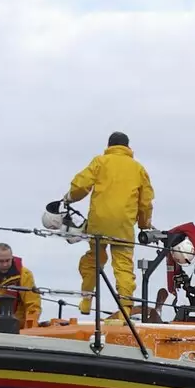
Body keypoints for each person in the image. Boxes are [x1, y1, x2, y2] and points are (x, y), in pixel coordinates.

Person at [65, 131, 154, 314]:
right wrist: (144, 225)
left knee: (94, 259)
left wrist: (69, 198)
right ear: (128, 147)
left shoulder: (100, 162)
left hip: (99, 222)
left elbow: (81, 185)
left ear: (109, 146)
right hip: (123, 225)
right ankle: (125, 309)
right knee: (123, 267)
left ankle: (87, 300)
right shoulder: (138, 169)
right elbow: (145, 202)